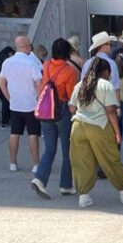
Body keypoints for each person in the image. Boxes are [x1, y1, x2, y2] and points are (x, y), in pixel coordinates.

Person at [68, 57, 123, 209]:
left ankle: (84, 196)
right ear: (105, 71)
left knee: (82, 161)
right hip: (99, 126)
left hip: (78, 126)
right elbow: (110, 111)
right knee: (110, 159)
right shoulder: (105, 85)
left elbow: (72, 108)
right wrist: (117, 133)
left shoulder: (80, 84)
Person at [30, 38, 80, 199]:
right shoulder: (70, 71)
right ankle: (66, 185)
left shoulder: (46, 65)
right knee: (67, 150)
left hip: (46, 111)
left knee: (50, 149)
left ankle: (39, 179)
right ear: (67, 52)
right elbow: (71, 95)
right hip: (62, 112)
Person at [0, 34, 42, 173]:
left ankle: (13, 163)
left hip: (15, 104)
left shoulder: (7, 62)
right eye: (30, 45)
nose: (31, 48)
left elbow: (1, 83)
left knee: (14, 133)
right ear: (26, 46)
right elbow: (39, 83)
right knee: (33, 134)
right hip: (31, 103)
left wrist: (9, 98)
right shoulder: (31, 63)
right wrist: (40, 99)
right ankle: (35, 164)